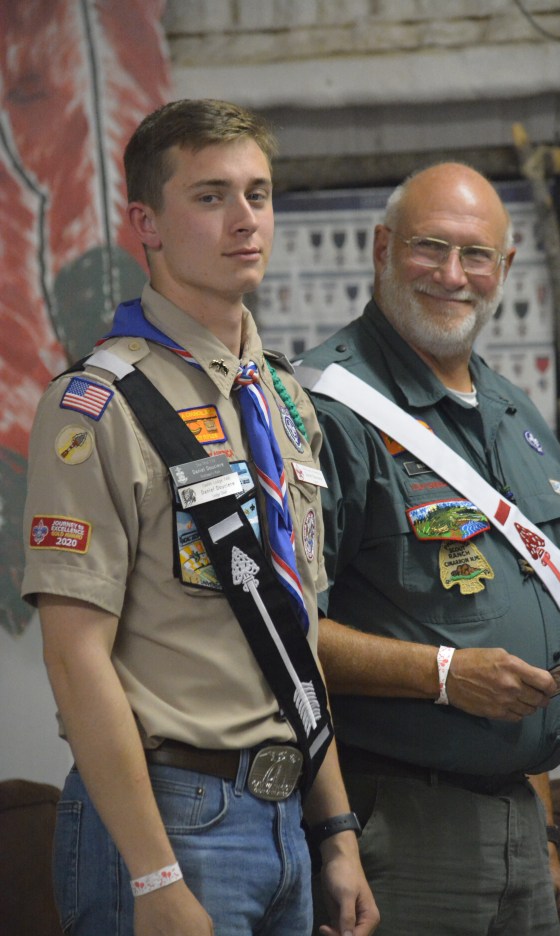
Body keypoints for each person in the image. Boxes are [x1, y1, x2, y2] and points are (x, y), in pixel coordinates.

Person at [21, 98, 379, 936]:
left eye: (257, 194)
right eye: (211, 196)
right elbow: (76, 661)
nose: (245, 219)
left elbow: (294, 632)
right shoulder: (96, 405)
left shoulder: (284, 398)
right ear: (145, 222)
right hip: (171, 817)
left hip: (288, 810)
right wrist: (153, 878)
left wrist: (334, 832)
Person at [296, 162, 560, 936]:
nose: (453, 275)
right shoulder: (323, 409)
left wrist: (545, 837)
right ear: (381, 247)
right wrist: (441, 674)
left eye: (476, 255)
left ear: (505, 268)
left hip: (520, 827)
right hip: (395, 826)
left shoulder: (514, 413)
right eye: (430, 247)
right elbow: (278, 634)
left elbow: (528, 635)